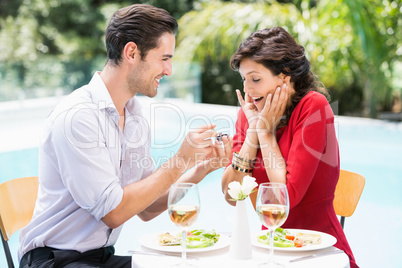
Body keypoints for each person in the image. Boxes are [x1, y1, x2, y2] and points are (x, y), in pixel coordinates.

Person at [18, 4, 231, 268]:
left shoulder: (134, 115)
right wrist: (179, 160)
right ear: (131, 52)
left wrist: (201, 169)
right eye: (164, 58)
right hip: (54, 260)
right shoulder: (78, 117)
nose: (169, 70)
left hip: (99, 258)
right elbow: (114, 212)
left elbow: (147, 208)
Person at [221, 27, 358, 268]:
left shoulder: (313, 107)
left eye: (255, 79)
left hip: (319, 250)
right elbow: (231, 195)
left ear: (285, 77)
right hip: (270, 248)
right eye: (243, 80)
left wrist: (265, 133)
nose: (247, 91)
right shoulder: (250, 114)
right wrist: (254, 132)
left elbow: (285, 199)